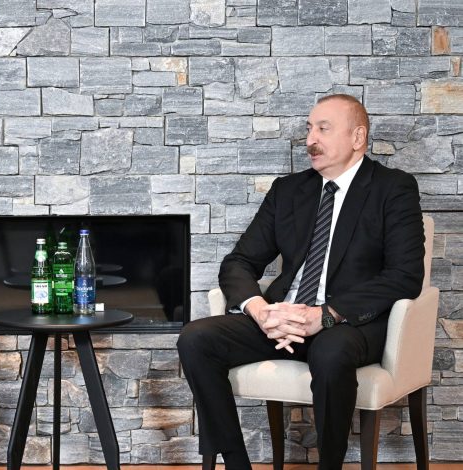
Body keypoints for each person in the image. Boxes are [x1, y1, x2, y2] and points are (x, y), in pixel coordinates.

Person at [177, 94, 425, 470]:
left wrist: (325, 315)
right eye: (309, 129)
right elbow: (238, 262)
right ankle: (236, 463)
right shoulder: (289, 190)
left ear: (358, 137)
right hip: (284, 316)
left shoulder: (392, 188)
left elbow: (405, 276)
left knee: (331, 352)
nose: (311, 139)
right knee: (196, 339)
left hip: (349, 322)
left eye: (323, 129)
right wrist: (261, 312)